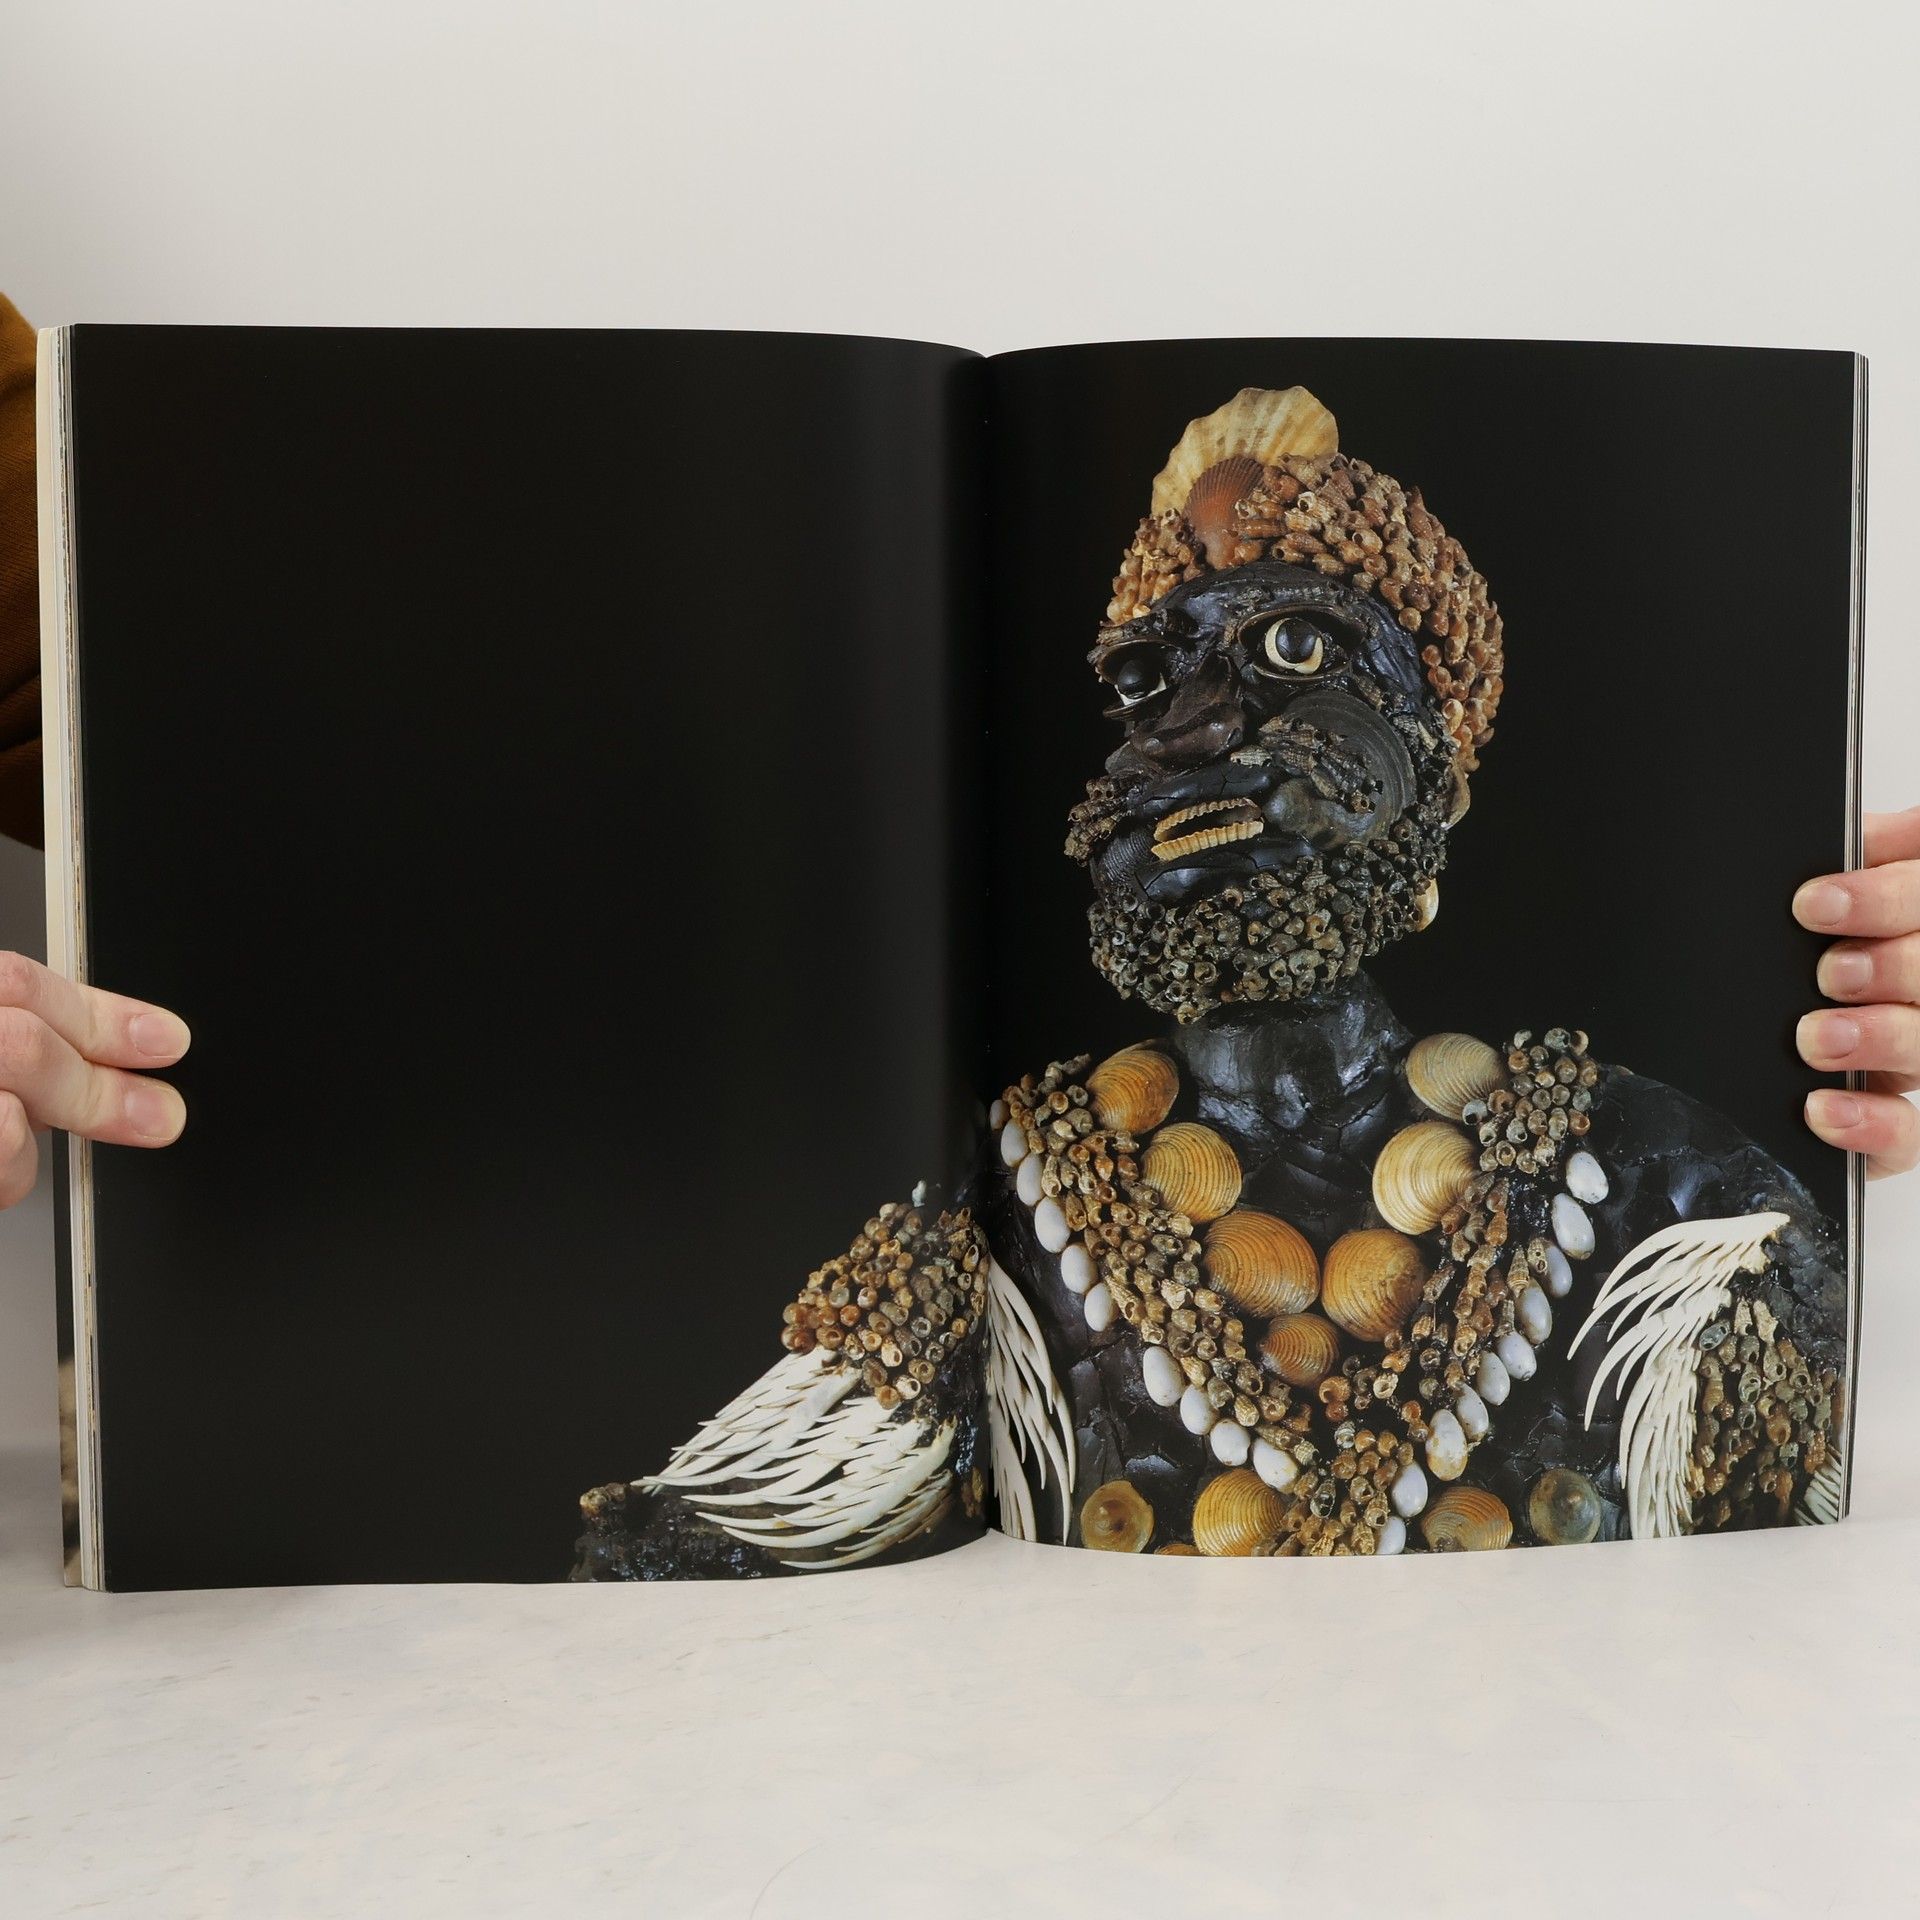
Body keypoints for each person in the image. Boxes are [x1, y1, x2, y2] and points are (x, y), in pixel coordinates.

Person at [0, 298, 1912, 1242]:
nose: (1188, 734)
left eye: (1296, 655)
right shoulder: (983, 1202)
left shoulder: (1675, 1202)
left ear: (1440, 763)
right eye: (1147, 678)